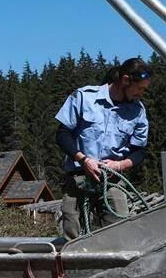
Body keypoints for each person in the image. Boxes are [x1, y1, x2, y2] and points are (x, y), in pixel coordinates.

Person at [53, 57, 152, 240]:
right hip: (79, 176)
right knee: (71, 233)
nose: (142, 93)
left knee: (119, 233)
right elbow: (62, 135)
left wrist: (120, 165)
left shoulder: (138, 111)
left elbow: (140, 151)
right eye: (139, 88)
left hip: (112, 179)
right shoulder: (84, 97)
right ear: (125, 80)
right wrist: (84, 160)